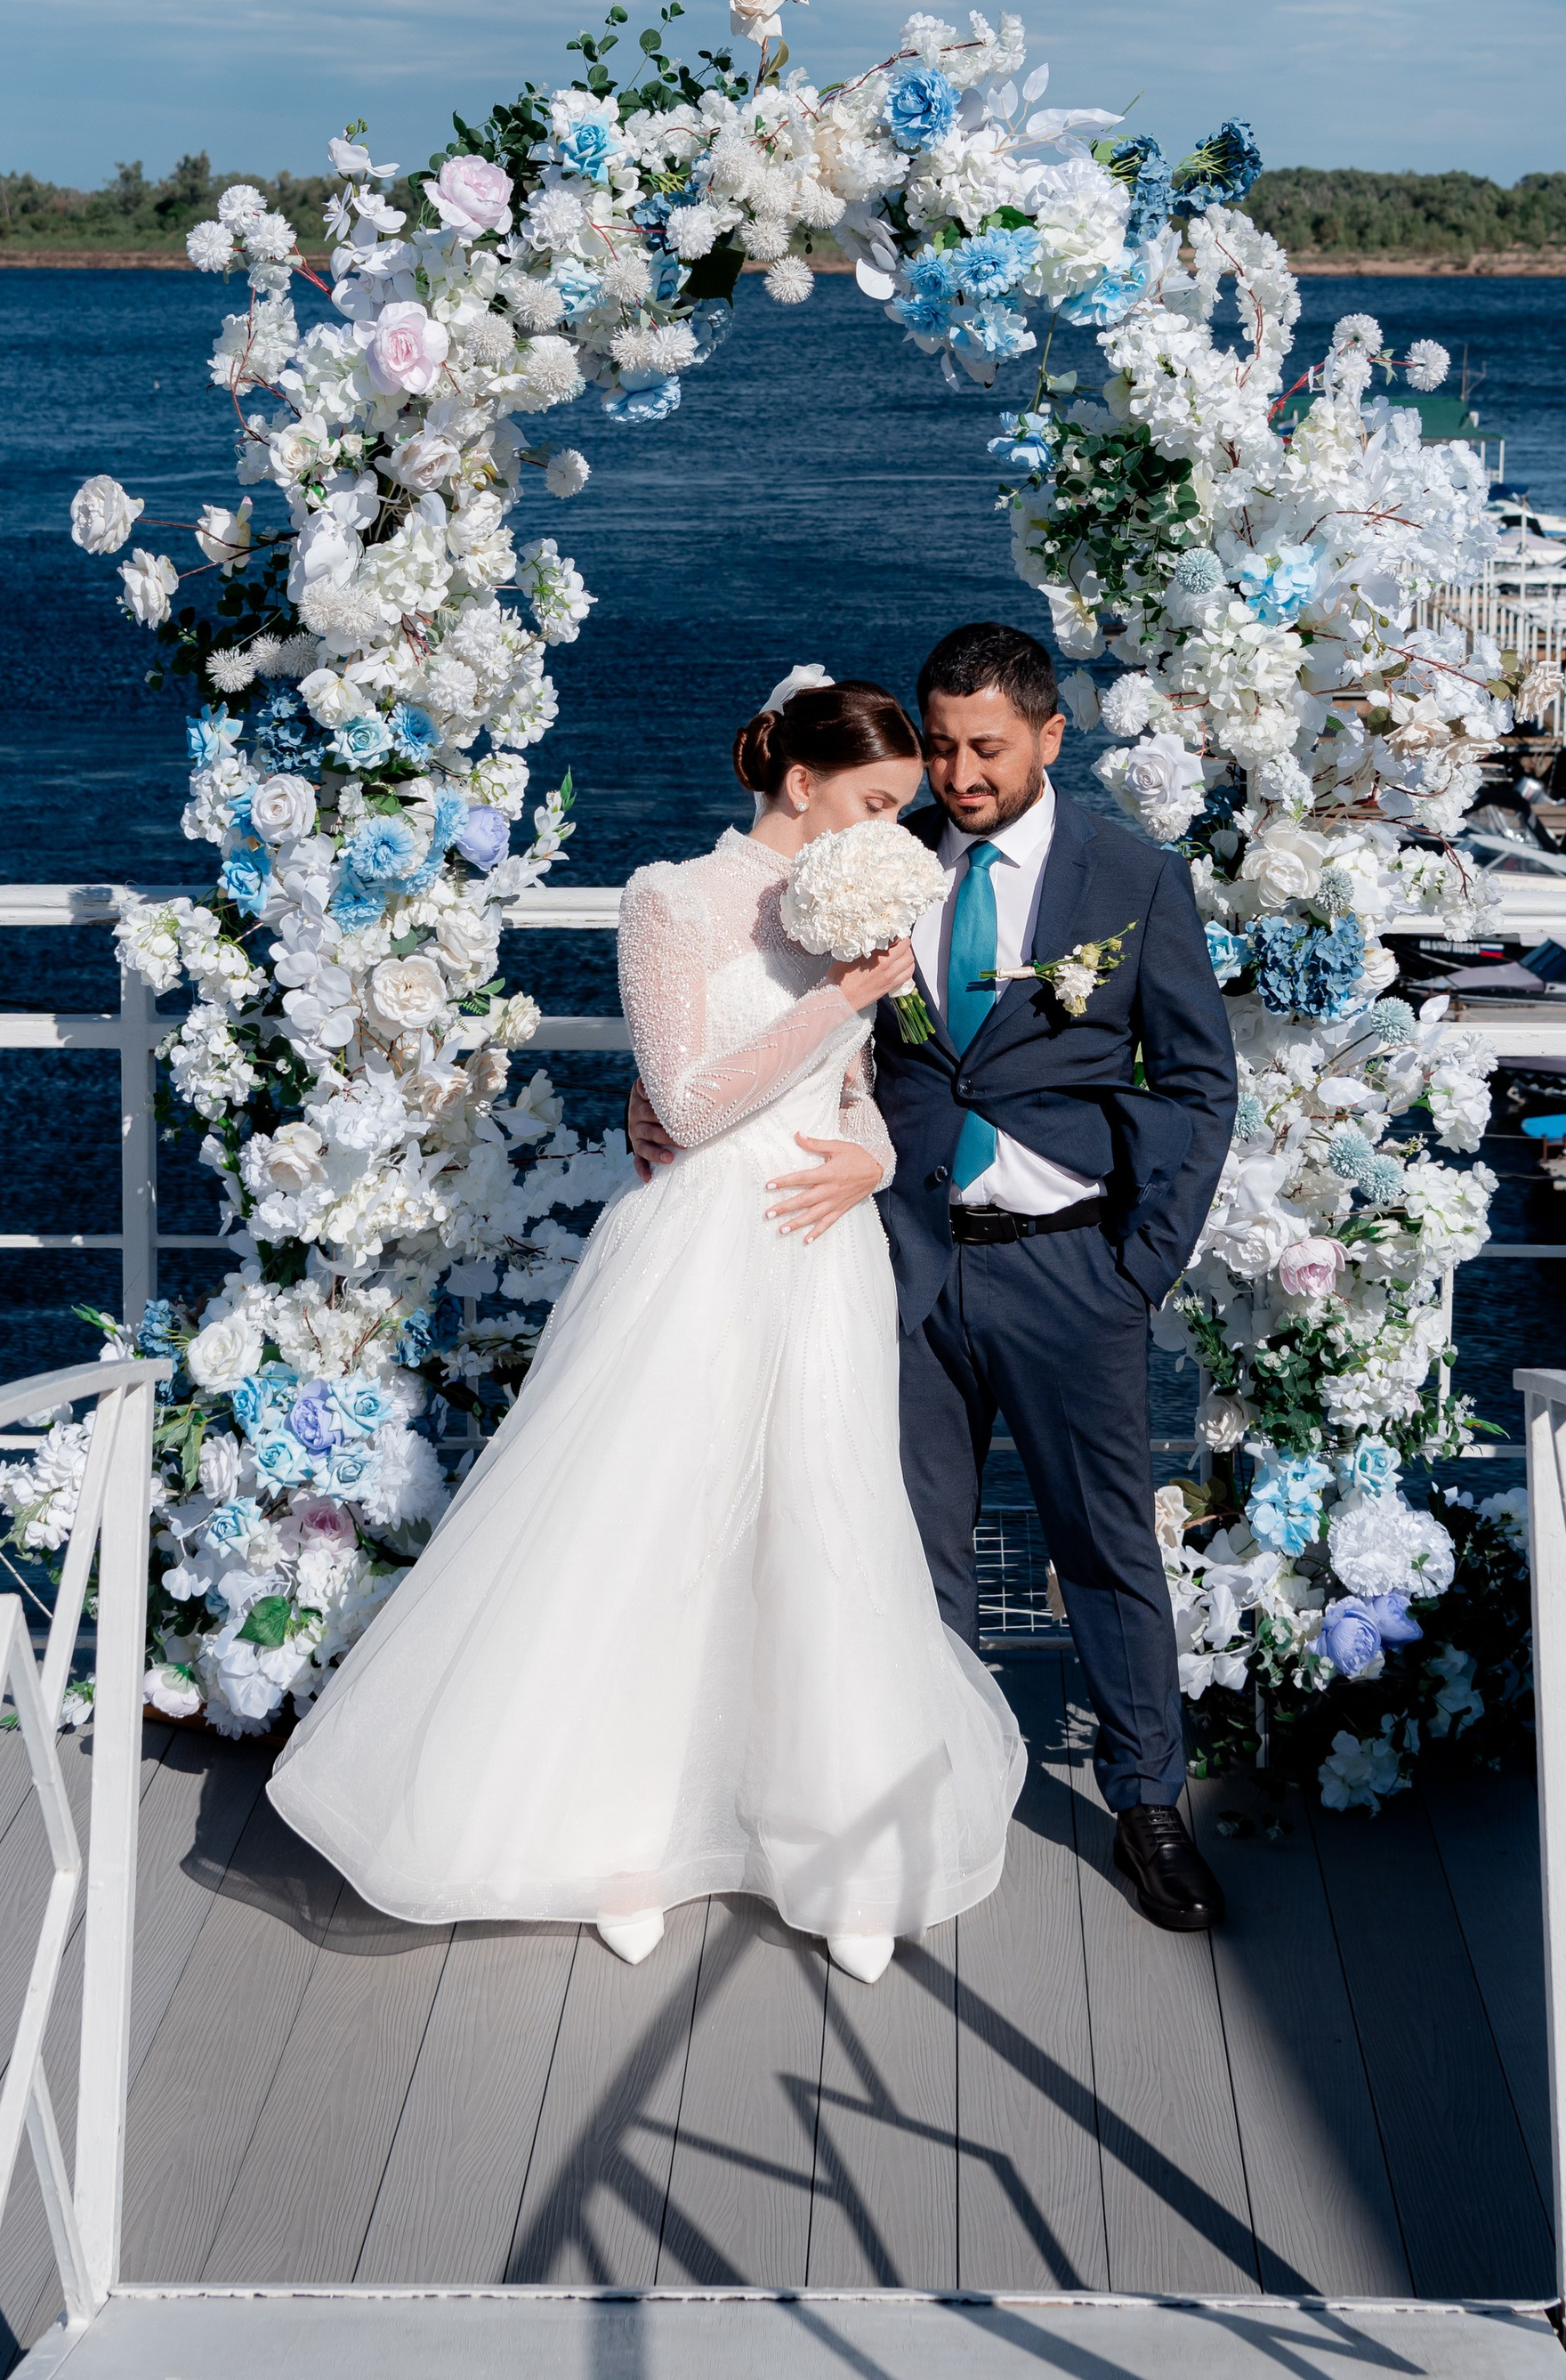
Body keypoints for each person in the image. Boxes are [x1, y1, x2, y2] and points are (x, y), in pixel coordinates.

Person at [270, 672, 1024, 1987]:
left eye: (901, 811)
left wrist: (872, 1153)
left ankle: (843, 1849)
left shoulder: (856, 910)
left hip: (821, 1246)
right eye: (876, 802)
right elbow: (685, 1098)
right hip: (701, 1252)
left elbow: (851, 1097)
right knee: (655, 1534)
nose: (895, 832)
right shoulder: (670, 899)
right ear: (801, 785)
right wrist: (841, 998)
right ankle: (622, 1835)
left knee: (829, 1528)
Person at [636, 623, 1240, 1936]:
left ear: (1048, 739)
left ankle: (1145, 1805)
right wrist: (654, 1086)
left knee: (1109, 1549)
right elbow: (766, 1004)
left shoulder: (1131, 877)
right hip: (895, 1265)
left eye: (986, 749)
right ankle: (931, 1806)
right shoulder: (877, 867)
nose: (960, 776)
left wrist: (1140, 1265)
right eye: (945, 747)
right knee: (912, 1553)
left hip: (1074, 1271)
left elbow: (1199, 1081)